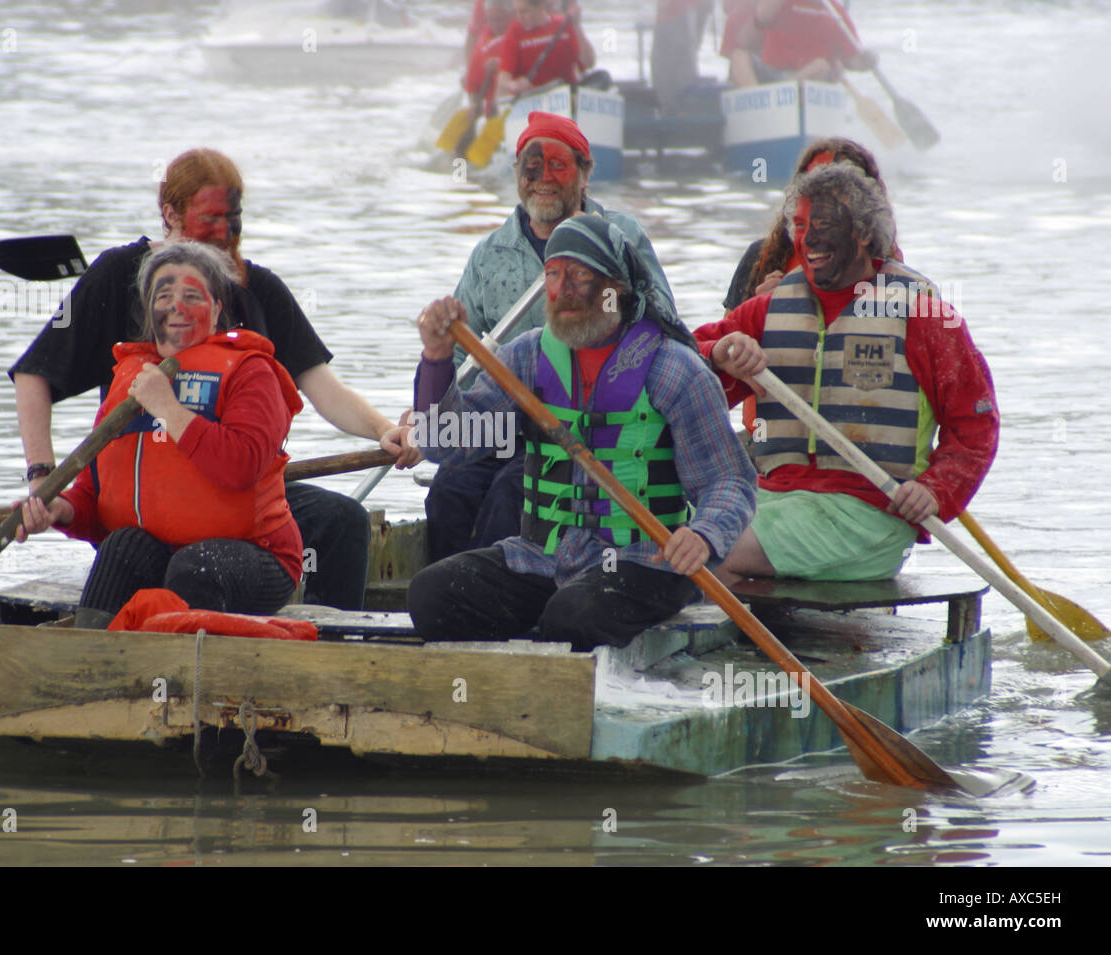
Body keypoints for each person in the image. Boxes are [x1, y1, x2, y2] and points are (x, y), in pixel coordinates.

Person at [10, 148, 416, 611]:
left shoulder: (256, 290)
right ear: (170, 215)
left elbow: (321, 386)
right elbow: (34, 374)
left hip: (232, 494)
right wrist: (45, 485)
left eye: (234, 218)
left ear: (219, 309)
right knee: (126, 549)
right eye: (211, 218)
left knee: (340, 519)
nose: (225, 233)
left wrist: (385, 430)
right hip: (150, 498)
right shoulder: (118, 277)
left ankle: (326, 641)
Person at [408, 215, 756, 650]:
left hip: (645, 562)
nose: (562, 289)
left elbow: (729, 481)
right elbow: (446, 444)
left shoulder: (674, 368)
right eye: (553, 274)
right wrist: (437, 359)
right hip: (543, 556)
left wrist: (704, 533)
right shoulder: (526, 358)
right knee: (432, 595)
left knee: (572, 617)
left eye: (581, 275)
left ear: (616, 290)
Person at [695, 163, 1000, 582]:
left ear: (861, 232)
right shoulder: (768, 309)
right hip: (772, 498)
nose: (808, 239)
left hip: (868, 516)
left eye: (823, 224)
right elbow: (677, 364)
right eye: (799, 224)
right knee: (670, 527)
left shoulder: (925, 317)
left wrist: (935, 489)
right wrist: (718, 355)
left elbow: (975, 424)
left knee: (709, 546)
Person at [422, 112, 674, 563]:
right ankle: (449, 601)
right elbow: (461, 361)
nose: (543, 179)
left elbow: (661, 325)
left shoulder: (622, 237)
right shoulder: (489, 254)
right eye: (530, 167)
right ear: (516, 173)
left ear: (584, 173)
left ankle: (501, 601)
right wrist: (431, 413)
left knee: (509, 493)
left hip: (584, 425)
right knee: (448, 490)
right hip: (499, 420)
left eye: (558, 165)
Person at [16, 241, 304, 627]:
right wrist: (60, 509)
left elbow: (242, 466)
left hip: (256, 556)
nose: (176, 306)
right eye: (164, 294)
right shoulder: (131, 377)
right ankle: (92, 663)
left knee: (193, 567)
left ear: (218, 309)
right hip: (164, 553)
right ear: (149, 310)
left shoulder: (252, 372)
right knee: (121, 546)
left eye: (191, 296)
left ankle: (177, 679)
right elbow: (95, 496)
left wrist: (168, 409)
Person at [722, 137, 899, 430]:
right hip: (772, 445)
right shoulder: (761, 259)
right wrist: (764, 315)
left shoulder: (899, 283)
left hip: (862, 443)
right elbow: (717, 357)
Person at [730, 0, 877, 88]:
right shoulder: (779, 3)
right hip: (772, 73)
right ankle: (759, 102)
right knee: (738, 56)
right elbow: (745, 40)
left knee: (822, 66)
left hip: (807, 82)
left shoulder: (836, 13)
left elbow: (854, 61)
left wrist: (870, 58)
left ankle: (782, 93)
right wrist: (762, 15)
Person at [495, 0, 595, 97]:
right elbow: (503, 80)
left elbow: (589, 63)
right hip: (532, 97)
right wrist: (514, 85)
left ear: (540, 7)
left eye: (524, 12)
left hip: (566, 94)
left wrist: (576, 25)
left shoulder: (564, 24)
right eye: (517, 11)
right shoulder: (514, 32)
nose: (520, 17)